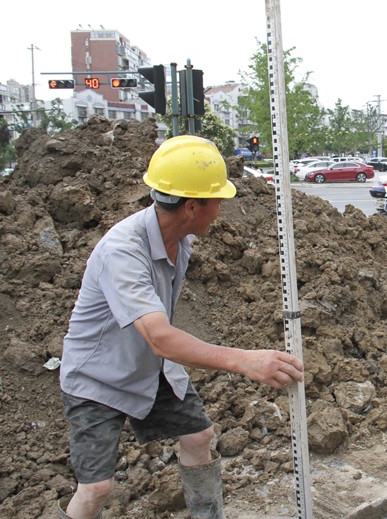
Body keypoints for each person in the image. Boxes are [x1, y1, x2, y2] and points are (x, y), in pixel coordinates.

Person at [58, 135, 304, 519]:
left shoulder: (180, 238)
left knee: (199, 436)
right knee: (95, 489)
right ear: (191, 206)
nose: (220, 211)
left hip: (151, 368)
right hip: (98, 377)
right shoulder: (123, 251)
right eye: (216, 202)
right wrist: (244, 361)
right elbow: (159, 337)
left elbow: (157, 341)